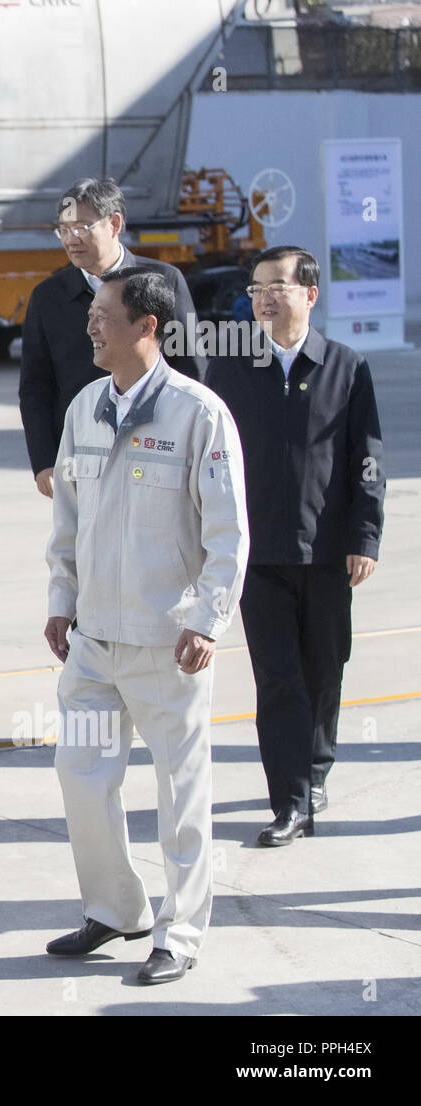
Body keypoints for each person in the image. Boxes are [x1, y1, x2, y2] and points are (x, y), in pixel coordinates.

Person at [44, 266, 248, 985]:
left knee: (179, 790)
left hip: (170, 646)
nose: (92, 325)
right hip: (95, 641)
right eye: (92, 313)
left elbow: (228, 533)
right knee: (79, 771)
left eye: (104, 314)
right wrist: (61, 599)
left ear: (147, 326)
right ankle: (116, 907)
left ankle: (181, 932)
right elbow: (67, 520)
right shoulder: (84, 410)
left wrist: (208, 618)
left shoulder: (199, 414)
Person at [205, 246, 385, 847]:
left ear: (310, 294)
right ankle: (291, 801)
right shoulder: (230, 371)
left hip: (328, 553)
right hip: (258, 557)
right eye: (256, 288)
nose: (263, 298)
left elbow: (367, 461)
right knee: (278, 679)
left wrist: (365, 537)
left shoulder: (346, 367)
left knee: (324, 670)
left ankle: (315, 769)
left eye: (276, 285)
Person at [20, 177, 199, 501]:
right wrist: (44, 461)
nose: (70, 239)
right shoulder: (49, 296)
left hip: (160, 450)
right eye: (63, 229)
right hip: (83, 456)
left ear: (114, 223)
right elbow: (35, 385)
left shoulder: (164, 281)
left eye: (82, 227)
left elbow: (192, 369)